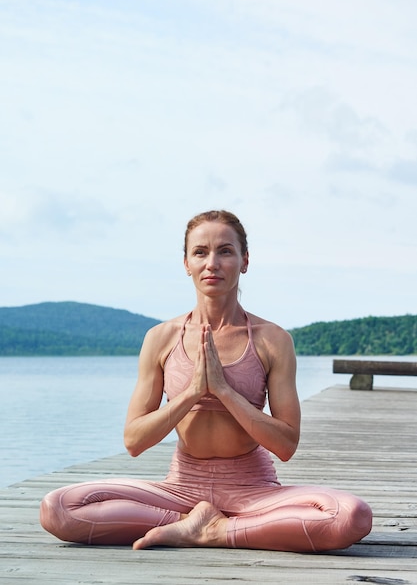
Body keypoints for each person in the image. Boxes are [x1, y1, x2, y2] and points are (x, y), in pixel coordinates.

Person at [40, 209, 372, 552]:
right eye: (200, 252)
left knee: (350, 516)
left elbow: (286, 445)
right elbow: (134, 440)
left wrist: (225, 391)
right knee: (58, 509)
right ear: (186, 263)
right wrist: (193, 393)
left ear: (244, 261)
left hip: (253, 488)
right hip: (180, 487)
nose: (212, 262)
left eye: (225, 251)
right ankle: (199, 524)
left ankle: (216, 530)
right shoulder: (161, 338)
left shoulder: (272, 340)